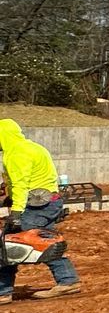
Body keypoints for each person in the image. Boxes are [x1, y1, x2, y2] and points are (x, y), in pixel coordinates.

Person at [0, 118, 80, 301]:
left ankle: (3, 292)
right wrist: (10, 198)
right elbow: (38, 178)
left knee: (9, 244)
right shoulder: (33, 147)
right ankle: (68, 281)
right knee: (45, 241)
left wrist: (16, 213)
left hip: (36, 206)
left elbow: (21, 184)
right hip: (49, 201)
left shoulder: (16, 153)